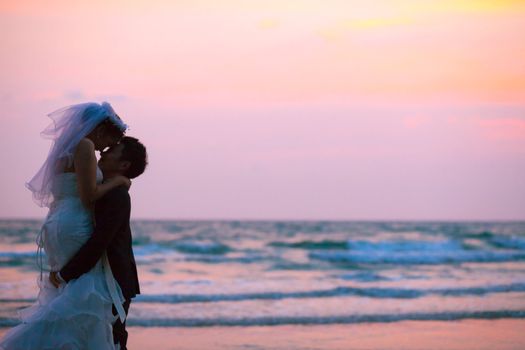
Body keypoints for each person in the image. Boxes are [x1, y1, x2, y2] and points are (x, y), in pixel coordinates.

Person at [0, 102, 131, 350]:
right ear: (101, 129)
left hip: (59, 221)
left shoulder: (67, 149)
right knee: (84, 290)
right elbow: (89, 195)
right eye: (112, 139)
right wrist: (118, 182)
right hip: (74, 223)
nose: (109, 147)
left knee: (70, 291)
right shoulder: (85, 146)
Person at [51, 136, 147, 349]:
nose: (103, 152)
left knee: (113, 339)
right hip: (102, 277)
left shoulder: (118, 196)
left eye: (113, 150)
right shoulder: (103, 189)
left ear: (124, 165)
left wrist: (64, 274)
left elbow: (99, 242)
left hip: (116, 281)